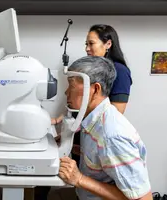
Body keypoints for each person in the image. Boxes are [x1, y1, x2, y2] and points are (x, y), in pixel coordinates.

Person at [58, 56, 152, 200]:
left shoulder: (112, 135)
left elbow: (143, 198)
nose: (66, 92)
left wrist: (79, 179)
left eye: (71, 85)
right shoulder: (92, 120)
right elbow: (101, 160)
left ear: (95, 89)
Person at [54, 23, 132, 169]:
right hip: (84, 131)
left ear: (108, 43)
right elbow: (82, 101)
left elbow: (116, 112)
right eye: (86, 44)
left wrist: (74, 129)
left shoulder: (120, 71)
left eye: (91, 43)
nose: (87, 48)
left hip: (95, 133)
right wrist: (63, 122)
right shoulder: (91, 69)